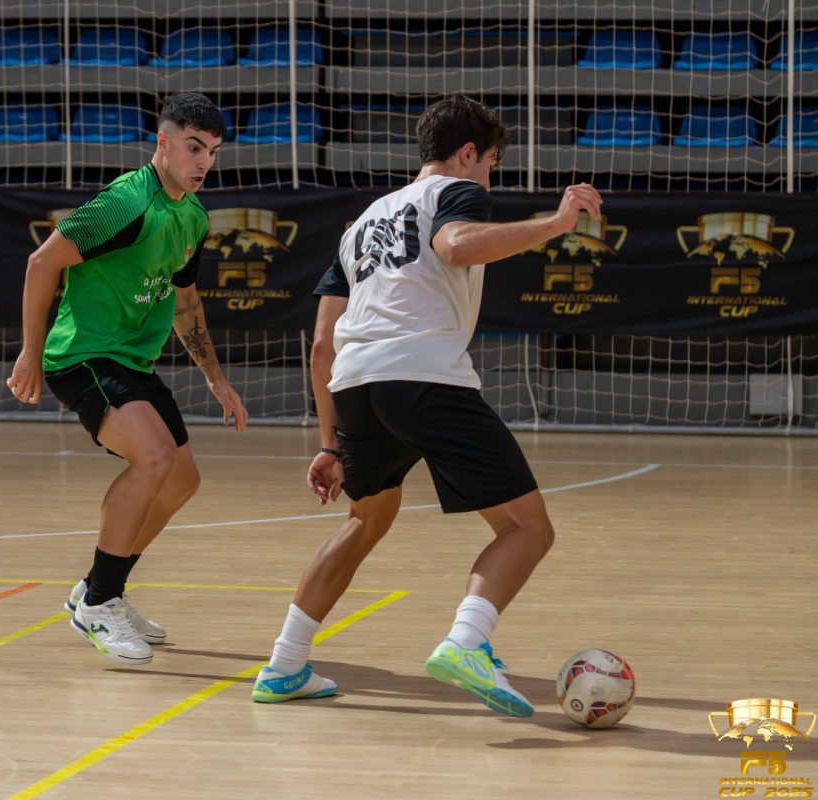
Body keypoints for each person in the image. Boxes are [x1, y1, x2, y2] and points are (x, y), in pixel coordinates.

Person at [250, 94, 603, 716]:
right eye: (490, 163)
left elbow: (323, 343)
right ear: (467, 154)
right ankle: (466, 643)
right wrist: (554, 225)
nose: (488, 178)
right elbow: (458, 245)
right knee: (527, 528)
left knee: (365, 519)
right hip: (423, 378)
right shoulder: (454, 193)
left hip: (356, 386)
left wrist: (330, 443)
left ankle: (283, 665)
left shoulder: (360, 226)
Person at [7, 92, 248, 666]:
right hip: (83, 355)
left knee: (182, 480)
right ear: (163, 143)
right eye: (194, 148)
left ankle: (98, 586)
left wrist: (216, 379)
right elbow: (42, 262)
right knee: (155, 458)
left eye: (212, 152)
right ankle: (100, 602)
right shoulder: (124, 202)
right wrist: (30, 353)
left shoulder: (193, 215)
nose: (204, 162)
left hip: (132, 362)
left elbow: (186, 302)